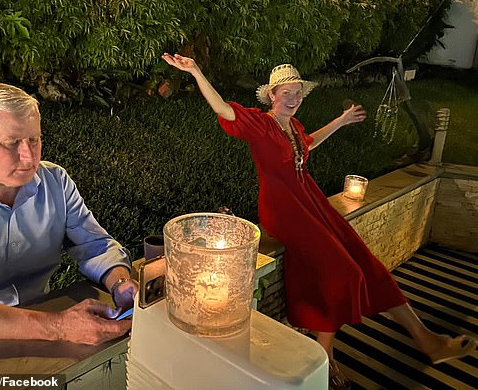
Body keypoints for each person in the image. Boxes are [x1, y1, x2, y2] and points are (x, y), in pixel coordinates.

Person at [162, 53, 476, 389]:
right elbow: (224, 109)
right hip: (282, 207)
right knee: (343, 270)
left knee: (364, 262)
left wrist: (341, 120)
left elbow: (308, 144)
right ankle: (324, 357)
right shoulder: (261, 123)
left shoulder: (294, 127)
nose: (294, 98)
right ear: (272, 95)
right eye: (287, 93)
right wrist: (196, 71)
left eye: (298, 92)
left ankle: (426, 339)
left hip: (308, 199)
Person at [0, 83, 138, 345]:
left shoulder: (55, 182)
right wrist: (59, 326)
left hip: (42, 322)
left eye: (34, 139)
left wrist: (120, 283)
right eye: (11, 143)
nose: (29, 157)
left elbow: (95, 246)